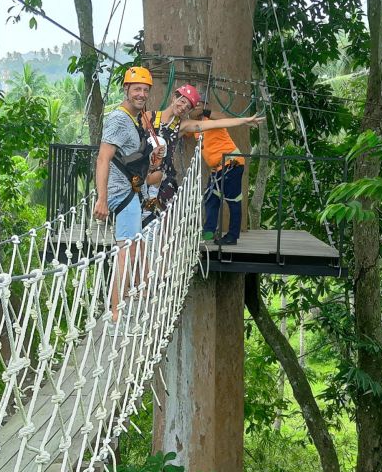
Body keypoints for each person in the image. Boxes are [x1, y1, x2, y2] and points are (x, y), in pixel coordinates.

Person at [93, 66, 163, 322]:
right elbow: (103, 158)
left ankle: (136, 297)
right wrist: (102, 198)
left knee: (131, 248)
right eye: (137, 89)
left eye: (145, 90)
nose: (141, 94)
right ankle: (115, 315)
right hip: (121, 194)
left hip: (131, 192)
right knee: (124, 252)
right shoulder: (119, 119)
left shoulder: (136, 118)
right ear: (126, 90)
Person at [141, 84, 264, 222]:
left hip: (164, 180)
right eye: (182, 101)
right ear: (174, 97)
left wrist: (244, 120)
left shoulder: (182, 126)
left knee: (169, 222)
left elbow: (217, 123)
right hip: (142, 175)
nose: (183, 108)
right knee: (141, 219)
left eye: (188, 107)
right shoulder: (148, 117)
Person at [188, 105, 262, 245]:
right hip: (218, 168)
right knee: (211, 199)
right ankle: (209, 232)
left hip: (231, 163)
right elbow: (183, 128)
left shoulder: (213, 119)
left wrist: (205, 110)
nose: (193, 109)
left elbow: (224, 118)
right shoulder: (195, 126)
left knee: (233, 200)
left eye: (196, 106)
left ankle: (232, 236)